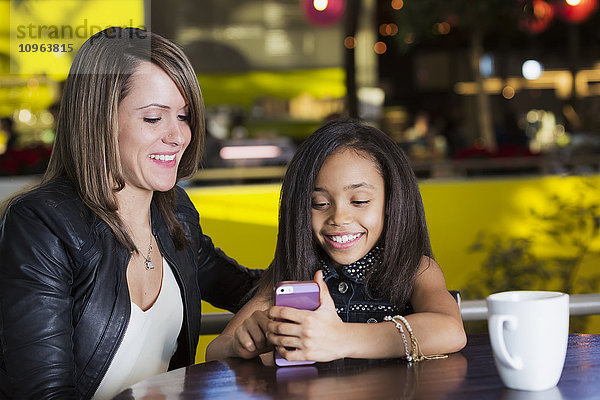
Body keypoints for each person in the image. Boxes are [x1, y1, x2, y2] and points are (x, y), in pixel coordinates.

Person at [0, 27, 260, 399]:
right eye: (154, 118)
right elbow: (46, 393)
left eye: (184, 116)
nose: (178, 136)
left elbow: (248, 287)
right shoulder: (42, 226)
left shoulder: (174, 216)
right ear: (99, 119)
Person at [206, 119, 466, 363]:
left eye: (360, 201)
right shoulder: (294, 272)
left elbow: (451, 330)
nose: (339, 217)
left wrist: (341, 339)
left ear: (390, 202)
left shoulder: (416, 269)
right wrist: (239, 344)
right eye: (319, 203)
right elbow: (215, 350)